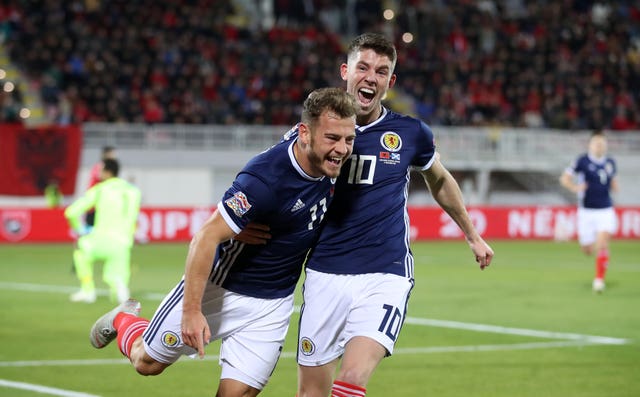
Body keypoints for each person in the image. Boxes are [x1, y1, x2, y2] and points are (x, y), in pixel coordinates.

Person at [87, 88, 357, 397]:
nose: (342, 149)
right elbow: (205, 237)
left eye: (348, 140)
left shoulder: (330, 159)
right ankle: (125, 320)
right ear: (305, 134)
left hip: (272, 304)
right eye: (333, 139)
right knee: (146, 363)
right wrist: (191, 312)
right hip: (221, 289)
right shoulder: (264, 181)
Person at [291, 33, 494, 397]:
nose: (371, 77)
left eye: (381, 71)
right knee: (311, 394)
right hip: (325, 274)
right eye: (363, 67)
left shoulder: (411, 133)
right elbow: (279, 184)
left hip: (385, 274)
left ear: (390, 82)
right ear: (345, 72)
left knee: (351, 380)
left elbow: (440, 180)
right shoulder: (312, 133)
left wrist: (471, 234)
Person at [65, 158, 141, 303]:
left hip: (100, 240)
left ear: (107, 172)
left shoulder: (100, 190)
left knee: (80, 250)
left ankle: (88, 291)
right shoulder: (133, 191)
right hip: (123, 243)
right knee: (118, 276)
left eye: (101, 170)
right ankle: (120, 289)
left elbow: (71, 212)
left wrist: (79, 230)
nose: (99, 173)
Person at [560, 130, 619, 293]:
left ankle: (599, 280)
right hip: (586, 211)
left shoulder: (610, 162)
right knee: (587, 249)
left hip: (605, 209)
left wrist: (615, 187)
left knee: (602, 244)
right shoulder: (582, 161)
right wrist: (575, 187)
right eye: (596, 143)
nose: (599, 146)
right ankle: (598, 259)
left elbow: (613, 181)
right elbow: (564, 178)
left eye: (602, 143)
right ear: (590, 145)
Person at [85, 145, 117, 227]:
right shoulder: (101, 167)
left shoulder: (104, 167)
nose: (114, 156)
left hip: (99, 204)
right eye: (112, 154)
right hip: (95, 205)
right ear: (105, 154)